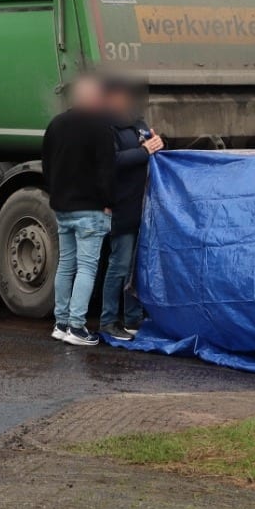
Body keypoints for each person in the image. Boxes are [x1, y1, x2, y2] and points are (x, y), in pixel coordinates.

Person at [42, 75, 118, 347]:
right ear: (94, 99)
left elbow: (47, 166)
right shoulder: (101, 128)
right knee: (87, 268)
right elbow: (106, 171)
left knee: (65, 265)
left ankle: (61, 323)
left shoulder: (56, 125)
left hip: (63, 207)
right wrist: (109, 201)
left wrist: (56, 195)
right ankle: (77, 326)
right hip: (91, 209)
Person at [97, 81, 162, 342]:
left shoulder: (138, 123)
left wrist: (155, 143)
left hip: (142, 206)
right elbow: (111, 162)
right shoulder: (104, 127)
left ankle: (133, 319)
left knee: (137, 266)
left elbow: (150, 147)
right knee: (119, 265)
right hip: (120, 206)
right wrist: (144, 151)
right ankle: (108, 320)